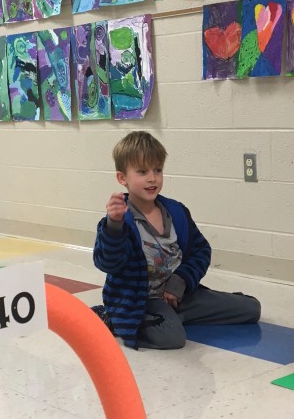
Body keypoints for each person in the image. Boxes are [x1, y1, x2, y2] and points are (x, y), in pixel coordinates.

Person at [93, 130, 261, 349]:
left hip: (179, 294)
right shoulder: (120, 221)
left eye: (158, 170)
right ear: (122, 178)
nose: (152, 178)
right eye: (142, 171)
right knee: (172, 338)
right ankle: (113, 318)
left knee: (251, 309)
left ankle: (171, 317)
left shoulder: (176, 212)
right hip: (142, 301)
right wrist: (114, 226)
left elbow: (201, 251)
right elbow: (107, 263)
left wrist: (180, 282)